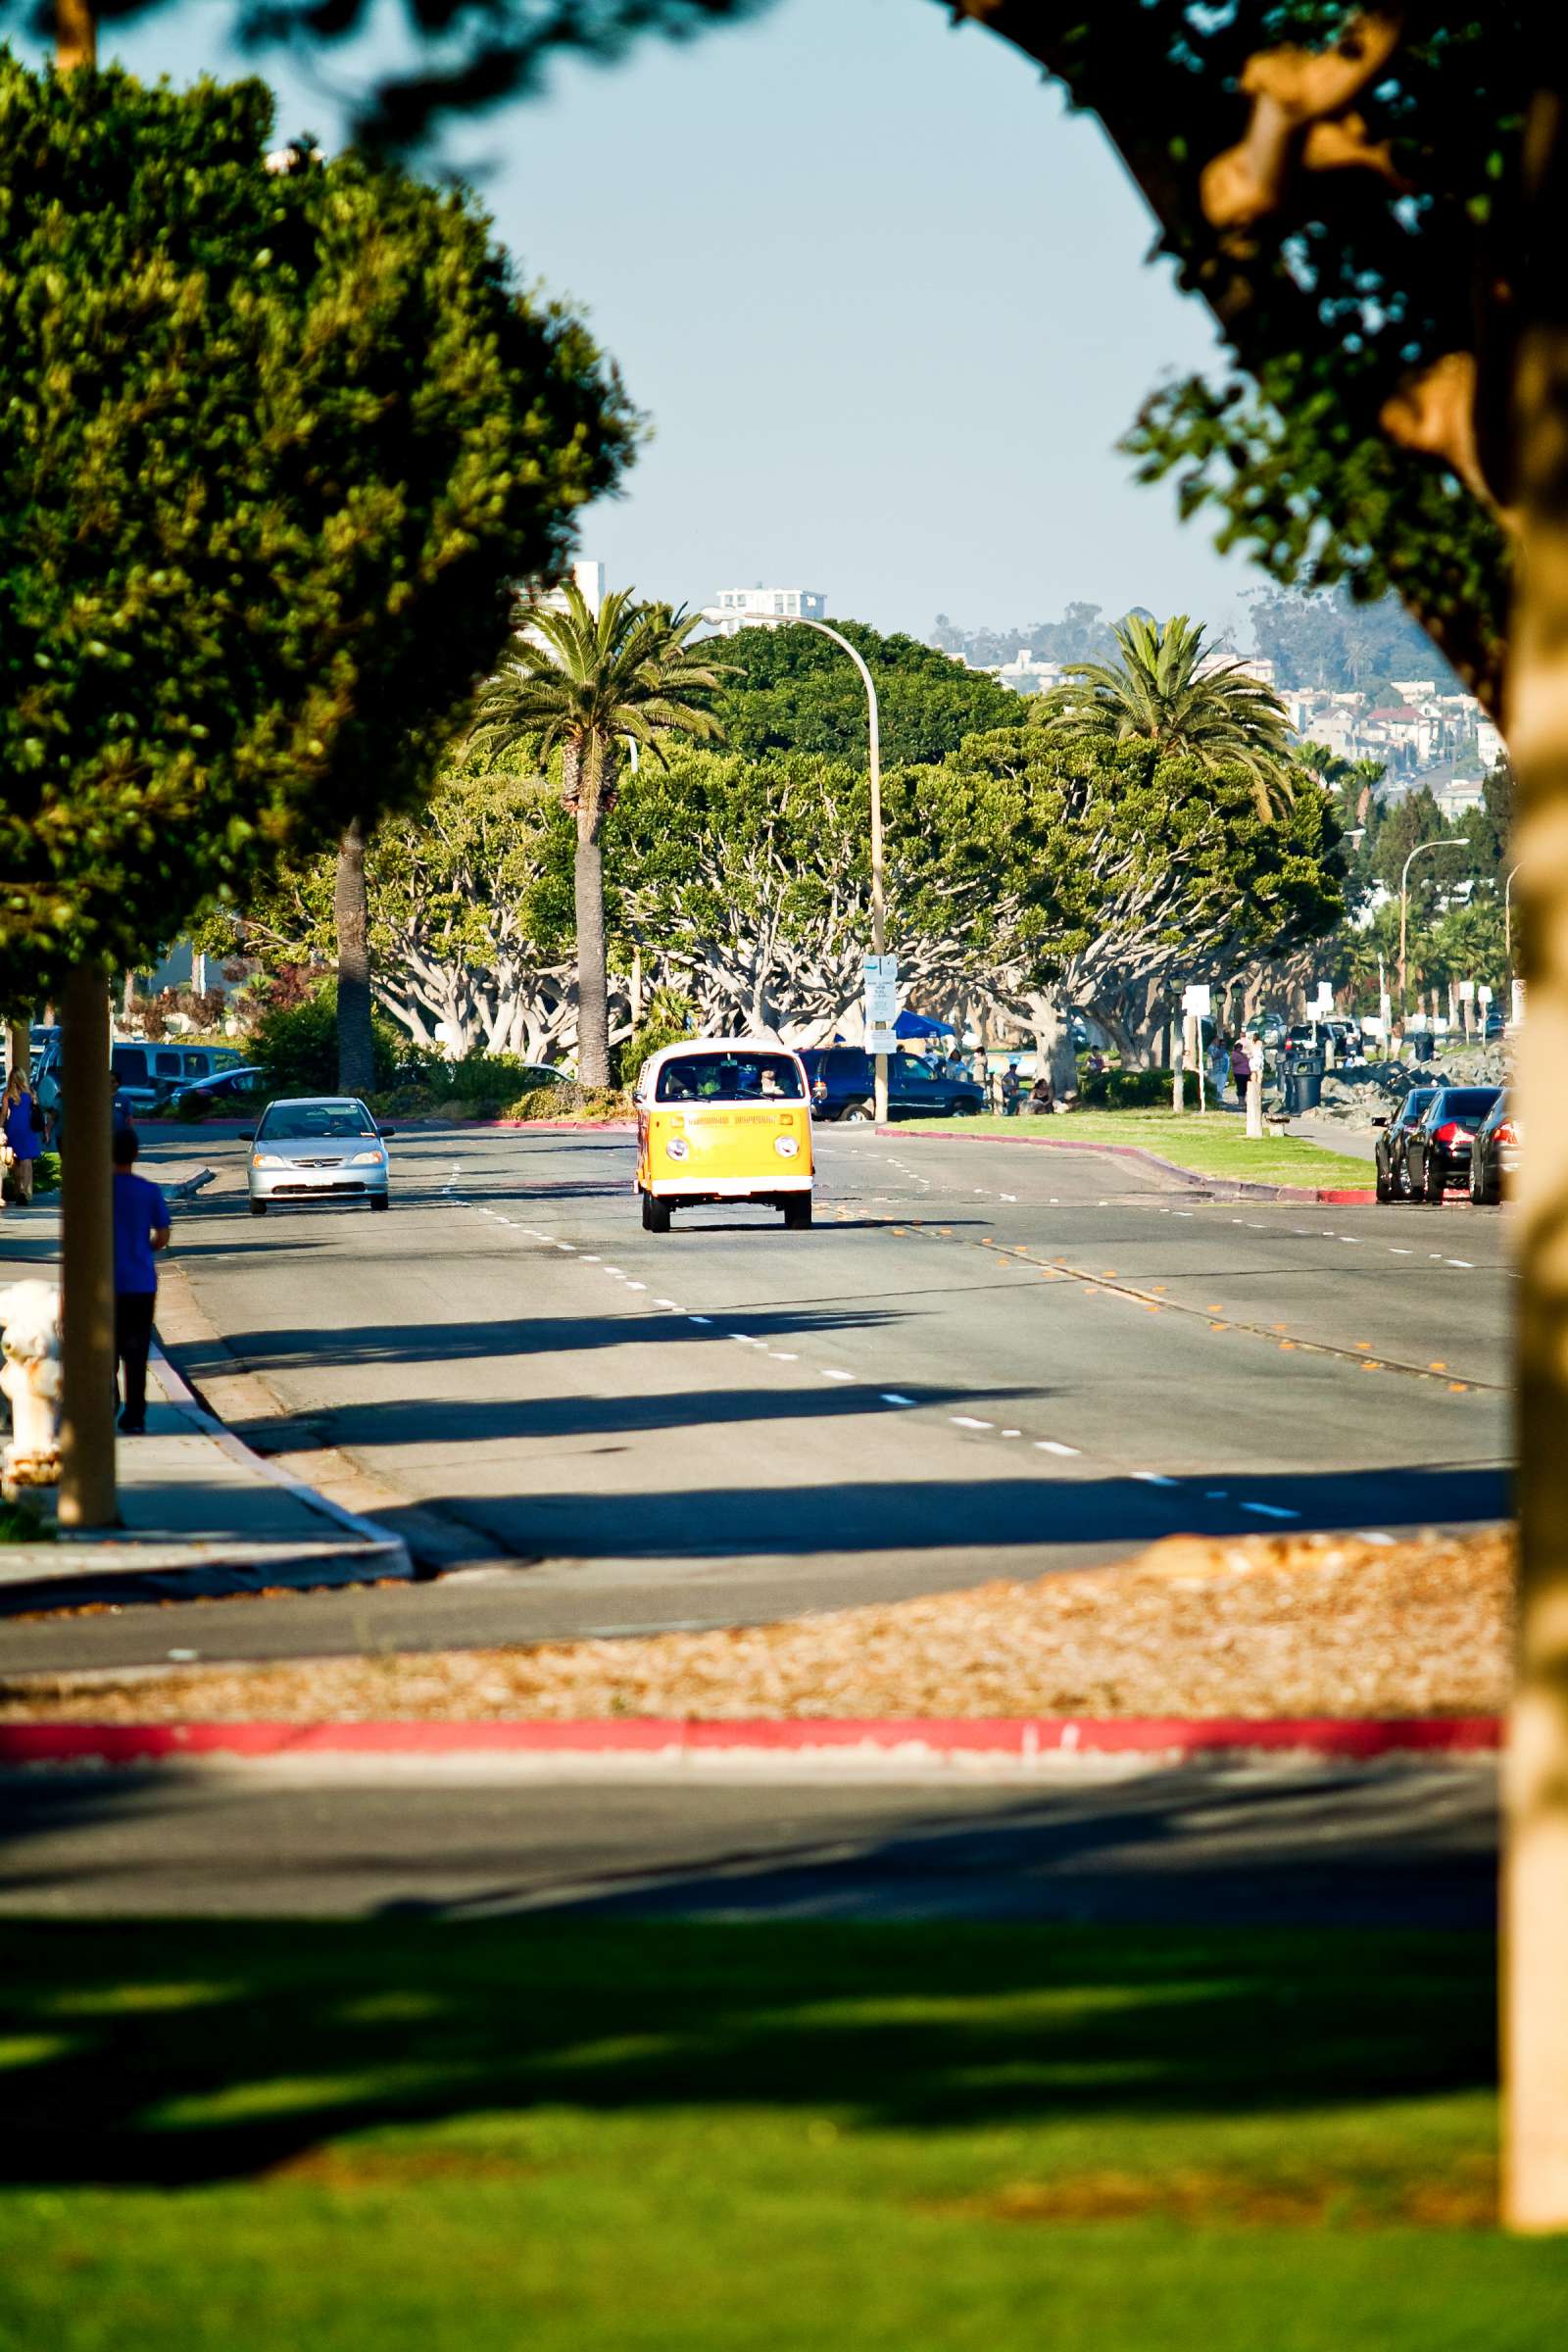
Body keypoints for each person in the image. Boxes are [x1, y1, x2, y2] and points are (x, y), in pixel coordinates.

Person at [112, 1126, 171, 1437]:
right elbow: (162, 1236)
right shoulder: (149, 1191)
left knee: (104, 1346)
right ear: (135, 1154)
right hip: (139, 1282)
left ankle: (107, 1401)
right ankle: (135, 1415)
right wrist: (142, 1248)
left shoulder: (93, 1190)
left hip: (100, 1282)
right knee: (136, 1351)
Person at [3, 1070, 41, 1202]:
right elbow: (36, 1109)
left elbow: (3, 1114)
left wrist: (1, 1128)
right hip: (26, 1128)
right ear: (23, 1078)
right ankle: (25, 1191)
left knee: (17, 1161)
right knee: (27, 1162)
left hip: (13, 1128)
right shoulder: (30, 1093)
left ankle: (18, 1190)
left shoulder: (8, 1094)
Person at [1230, 1037, 1251, 1105]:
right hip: (1238, 1073)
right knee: (1240, 1087)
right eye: (1238, 1047)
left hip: (1246, 1073)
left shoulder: (1243, 1054)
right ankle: (1240, 1101)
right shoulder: (1234, 1054)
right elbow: (1234, 1062)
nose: (1240, 1049)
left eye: (1241, 1048)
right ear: (1236, 1048)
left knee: (1245, 1087)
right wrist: (1242, 1058)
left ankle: (1243, 1100)